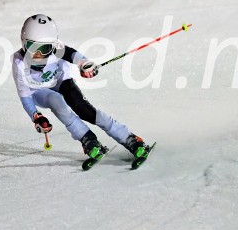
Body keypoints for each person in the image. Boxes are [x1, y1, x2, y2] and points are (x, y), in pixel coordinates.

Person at [11, 14, 148, 160]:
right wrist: (36, 116)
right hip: (38, 91)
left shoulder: (57, 49)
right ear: (24, 43)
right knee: (56, 101)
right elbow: (25, 96)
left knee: (83, 109)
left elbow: (73, 55)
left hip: (60, 81)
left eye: (44, 48)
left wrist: (85, 65)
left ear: (52, 46)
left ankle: (130, 139)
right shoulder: (19, 62)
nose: (38, 55)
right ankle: (88, 140)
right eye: (33, 47)